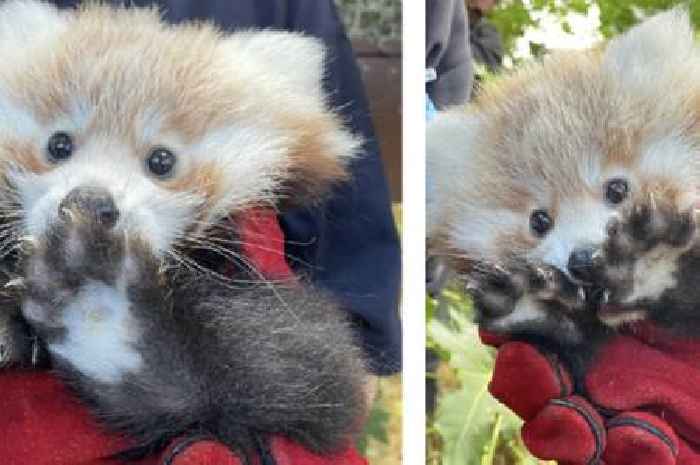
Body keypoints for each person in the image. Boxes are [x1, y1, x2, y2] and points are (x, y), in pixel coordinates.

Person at [51, 0, 402, 377]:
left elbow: (344, 193)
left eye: (161, 164)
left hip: (239, 308)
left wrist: (360, 329)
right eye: (59, 149)